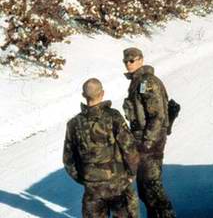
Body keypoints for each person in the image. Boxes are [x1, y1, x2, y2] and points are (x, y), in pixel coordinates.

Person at [63, 78, 140, 218]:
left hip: (92, 189)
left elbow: (68, 160)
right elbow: (129, 148)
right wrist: (131, 173)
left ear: (83, 95)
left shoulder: (73, 124)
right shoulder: (114, 116)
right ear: (102, 93)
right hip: (119, 185)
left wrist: (84, 178)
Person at [122, 47, 176, 218]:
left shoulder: (147, 82)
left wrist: (147, 142)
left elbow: (157, 116)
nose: (128, 64)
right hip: (144, 141)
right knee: (146, 191)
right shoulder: (138, 81)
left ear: (141, 60)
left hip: (150, 143)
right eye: (125, 61)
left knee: (153, 189)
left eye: (132, 60)